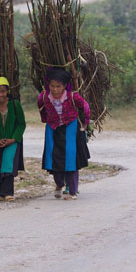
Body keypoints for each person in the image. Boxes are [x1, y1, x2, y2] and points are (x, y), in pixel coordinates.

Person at [37, 68, 90, 200]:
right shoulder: (44, 97)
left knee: (71, 160)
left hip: (70, 128)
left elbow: (85, 107)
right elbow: (41, 109)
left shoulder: (72, 96)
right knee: (54, 159)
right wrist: (46, 120)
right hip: (53, 129)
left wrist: (85, 123)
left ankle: (73, 192)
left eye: (58, 86)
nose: (55, 89)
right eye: (52, 86)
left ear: (65, 86)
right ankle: (59, 184)